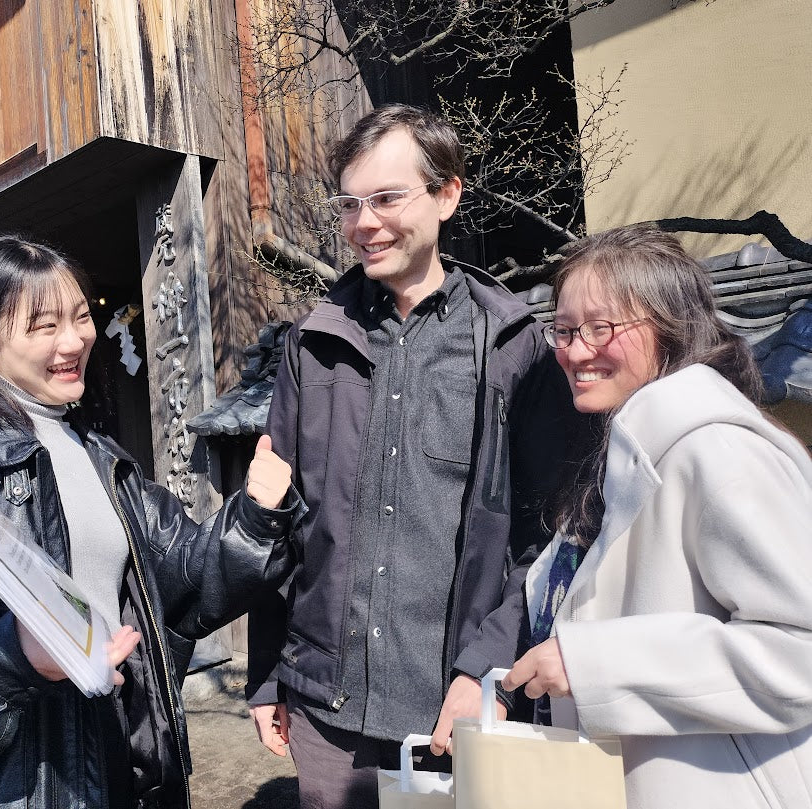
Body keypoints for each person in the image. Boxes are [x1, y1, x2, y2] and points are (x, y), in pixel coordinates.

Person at [0, 235, 301, 809]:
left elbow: (187, 581)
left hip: (107, 757)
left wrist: (257, 514)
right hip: (1, 786)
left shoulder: (98, 455)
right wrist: (11, 651)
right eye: (43, 325)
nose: (74, 340)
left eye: (81, 317)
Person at [245, 103, 582, 808]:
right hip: (324, 707)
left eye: (387, 197)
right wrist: (267, 673)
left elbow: (544, 537)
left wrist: (481, 669)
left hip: (454, 712)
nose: (363, 222)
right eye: (349, 203)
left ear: (446, 193)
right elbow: (278, 521)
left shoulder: (514, 348)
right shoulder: (311, 345)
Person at [504, 225, 812, 809]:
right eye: (565, 330)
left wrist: (595, 663)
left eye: (601, 328)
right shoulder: (614, 458)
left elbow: (801, 651)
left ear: (671, 329)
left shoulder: (718, 452)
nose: (574, 351)